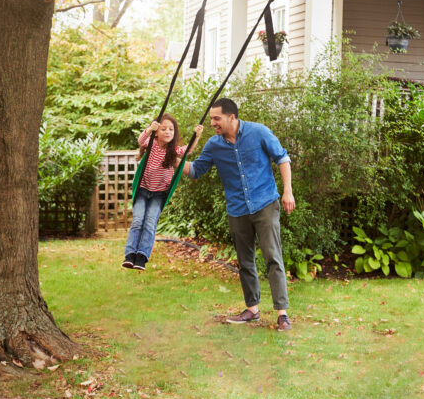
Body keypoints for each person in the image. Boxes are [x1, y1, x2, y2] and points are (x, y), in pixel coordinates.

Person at [186, 98, 296, 332]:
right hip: (237, 209)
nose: (213, 123)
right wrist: (172, 160)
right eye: (212, 118)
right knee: (245, 262)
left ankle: (282, 314)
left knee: (272, 256)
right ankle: (253, 310)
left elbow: (282, 158)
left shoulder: (259, 132)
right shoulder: (214, 145)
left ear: (231, 117)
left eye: (217, 118)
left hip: (265, 203)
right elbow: (196, 170)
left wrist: (288, 191)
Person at [123, 114, 203, 271]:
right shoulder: (151, 143)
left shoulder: (173, 151)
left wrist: (197, 136)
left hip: (159, 194)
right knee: (138, 220)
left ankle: (141, 257)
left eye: (171, 129)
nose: (167, 132)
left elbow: (188, 150)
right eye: (163, 129)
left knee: (150, 222)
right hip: (143, 190)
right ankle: (130, 254)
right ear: (157, 132)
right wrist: (149, 130)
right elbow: (140, 141)